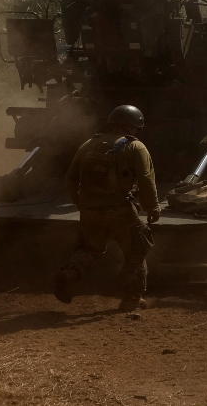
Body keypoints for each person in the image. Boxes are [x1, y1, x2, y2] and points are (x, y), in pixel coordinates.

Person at [53, 105, 161, 312]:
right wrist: (152, 207)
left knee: (89, 248)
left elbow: (70, 178)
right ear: (134, 126)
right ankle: (131, 298)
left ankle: (70, 274)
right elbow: (146, 179)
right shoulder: (135, 147)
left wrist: (80, 202)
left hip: (89, 210)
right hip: (120, 210)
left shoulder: (89, 144)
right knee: (137, 251)